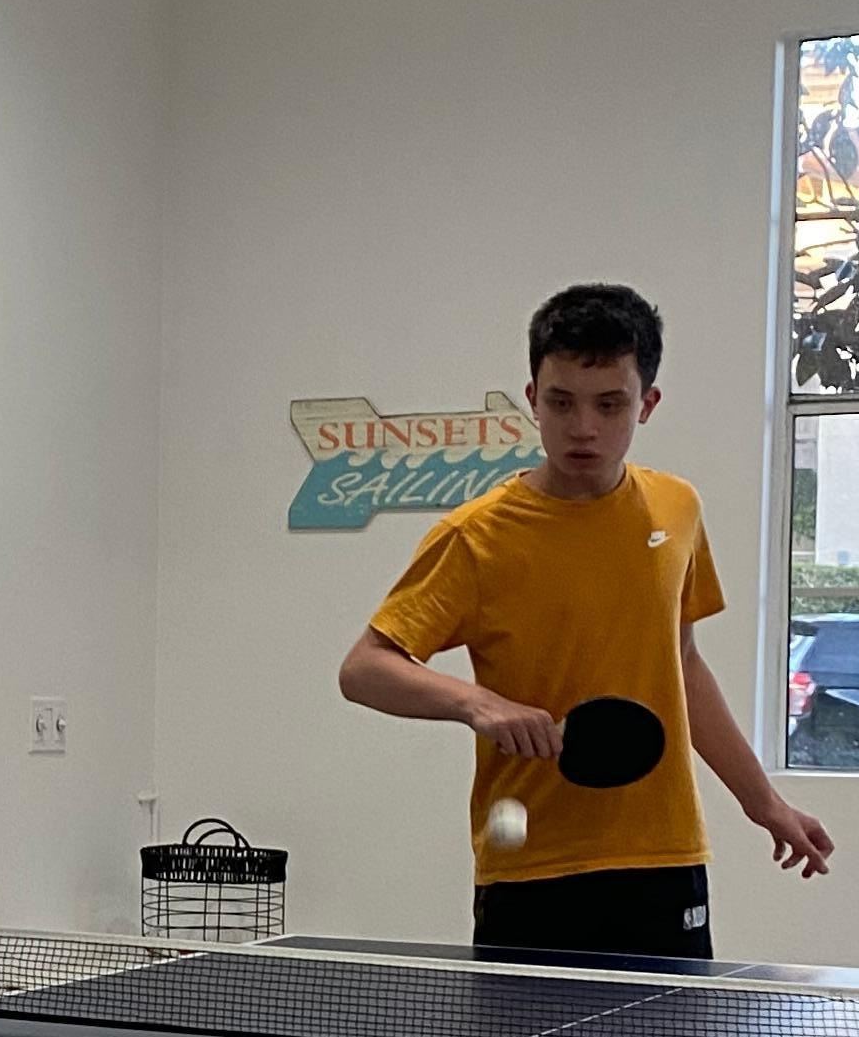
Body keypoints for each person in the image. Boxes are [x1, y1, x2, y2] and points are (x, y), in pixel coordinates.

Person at [337, 279, 832, 957]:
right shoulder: (478, 537)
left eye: (610, 404)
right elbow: (365, 670)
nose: (584, 427)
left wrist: (763, 801)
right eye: (563, 403)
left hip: (663, 857)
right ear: (534, 400)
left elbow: (680, 664)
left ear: (647, 404)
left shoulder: (677, 510)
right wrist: (477, 705)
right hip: (534, 866)